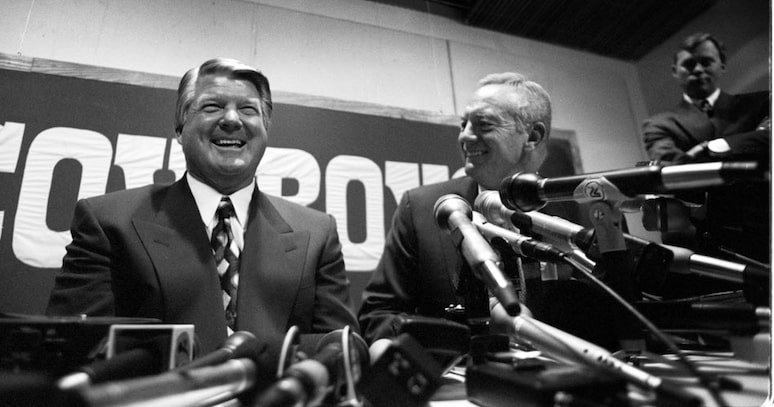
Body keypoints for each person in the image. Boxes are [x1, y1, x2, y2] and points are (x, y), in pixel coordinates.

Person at [46, 58, 358, 363]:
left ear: (265, 130)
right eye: (212, 107)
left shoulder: (318, 233)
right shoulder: (108, 223)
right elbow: (74, 355)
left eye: (249, 109)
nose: (232, 119)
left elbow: (342, 355)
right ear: (180, 129)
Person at [358, 73, 619, 350]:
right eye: (463, 124)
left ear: (532, 136)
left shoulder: (590, 213)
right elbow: (379, 313)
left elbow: (620, 318)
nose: (465, 136)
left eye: (483, 124)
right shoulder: (421, 208)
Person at [642, 32, 770, 270]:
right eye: (689, 64)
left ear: (722, 65)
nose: (698, 69)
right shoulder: (659, 124)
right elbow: (673, 174)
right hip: (702, 247)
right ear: (674, 71)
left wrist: (711, 148)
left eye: (706, 61)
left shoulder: (762, 102)